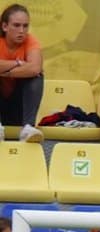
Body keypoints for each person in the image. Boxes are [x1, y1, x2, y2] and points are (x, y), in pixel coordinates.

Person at [0, 4, 43, 140]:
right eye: (16, 25)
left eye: (25, 26)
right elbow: (29, 67)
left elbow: (35, 68)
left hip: (17, 106)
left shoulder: (31, 41)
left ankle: (28, 128)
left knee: (37, 76)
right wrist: (18, 63)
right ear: (5, 26)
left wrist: (7, 72)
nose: (21, 31)